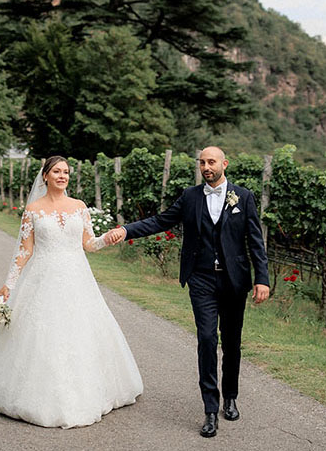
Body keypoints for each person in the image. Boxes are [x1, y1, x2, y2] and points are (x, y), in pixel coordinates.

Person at [0, 156, 143, 428]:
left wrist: (106, 239)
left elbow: (89, 244)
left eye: (66, 172)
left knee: (81, 332)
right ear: (46, 177)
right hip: (43, 278)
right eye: (57, 171)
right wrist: (9, 283)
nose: (62, 176)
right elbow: (25, 251)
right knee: (40, 333)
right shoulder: (33, 210)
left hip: (78, 278)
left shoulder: (79, 207)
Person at [104, 146, 269, 438]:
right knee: (207, 339)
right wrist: (127, 230)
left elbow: (255, 241)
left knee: (232, 342)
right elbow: (160, 221)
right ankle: (210, 409)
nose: (206, 167)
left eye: (211, 162)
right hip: (201, 279)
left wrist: (262, 279)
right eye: (202, 162)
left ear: (224, 164)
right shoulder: (190, 197)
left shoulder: (243, 197)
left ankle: (230, 396)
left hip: (235, 280)